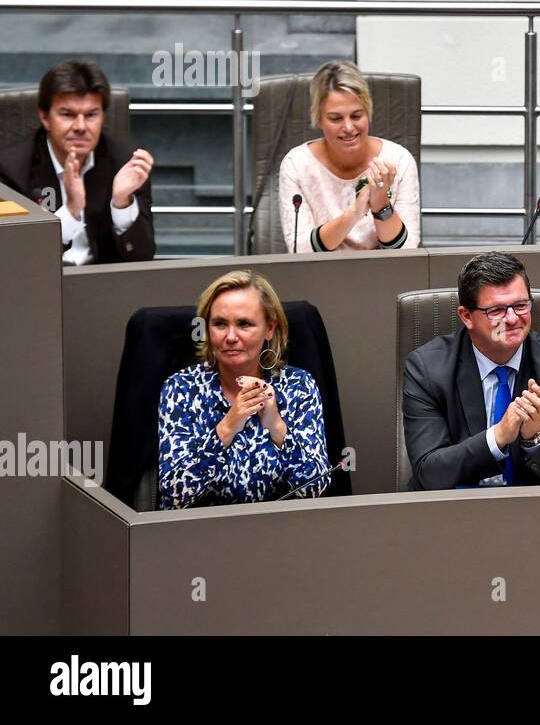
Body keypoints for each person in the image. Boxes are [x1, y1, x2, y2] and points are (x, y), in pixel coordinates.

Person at [402, 252, 540, 489]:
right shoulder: (426, 369)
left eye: (520, 305)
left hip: (535, 512)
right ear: (466, 316)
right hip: (452, 511)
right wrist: (498, 437)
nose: (511, 319)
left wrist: (535, 434)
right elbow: (431, 473)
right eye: (497, 310)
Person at [158, 270, 331, 508]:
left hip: (280, 531)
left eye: (244, 324)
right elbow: (174, 495)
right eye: (219, 324)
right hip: (200, 534)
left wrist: (276, 425)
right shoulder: (182, 389)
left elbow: (315, 489)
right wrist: (228, 426)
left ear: (270, 329)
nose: (230, 336)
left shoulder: (297, 386)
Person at [0, 59, 154, 264]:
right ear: (45, 117)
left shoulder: (125, 162)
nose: (81, 126)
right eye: (68, 114)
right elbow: (16, 259)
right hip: (41, 286)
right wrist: (71, 211)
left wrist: (122, 203)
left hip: (103, 284)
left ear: (103, 117)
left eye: (91, 115)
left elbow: (141, 258)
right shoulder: (11, 169)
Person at [278, 60, 420, 252]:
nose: (348, 128)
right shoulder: (296, 165)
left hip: (384, 277)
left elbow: (407, 252)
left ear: (368, 113)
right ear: (318, 119)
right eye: (336, 118)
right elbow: (300, 250)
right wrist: (353, 214)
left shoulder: (398, 161)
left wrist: (380, 206)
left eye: (356, 116)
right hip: (319, 276)